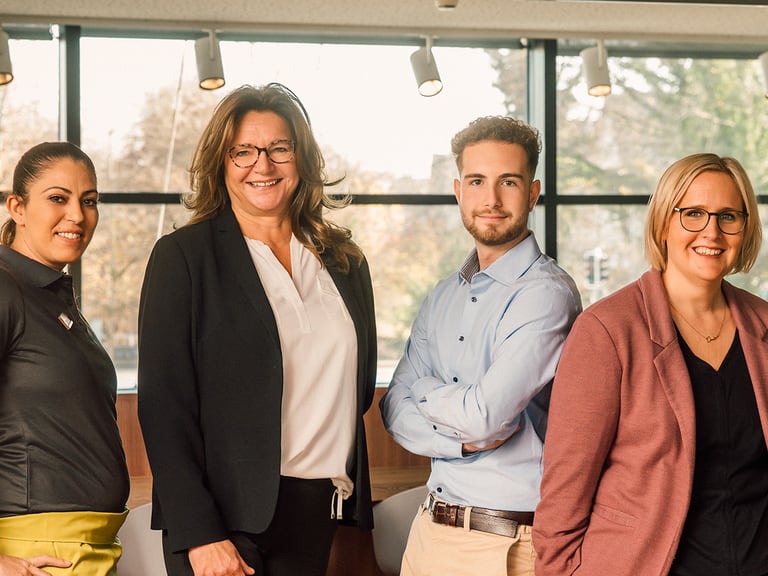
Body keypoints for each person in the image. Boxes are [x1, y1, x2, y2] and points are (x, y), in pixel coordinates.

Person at [137, 83, 377, 576]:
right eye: (243, 151)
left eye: (279, 149)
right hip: (223, 525)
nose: (262, 165)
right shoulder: (184, 258)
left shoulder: (344, 262)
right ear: (221, 163)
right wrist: (200, 534)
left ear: (301, 157)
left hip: (317, 511)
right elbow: (164, 409)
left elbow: (358, 388)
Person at [533, 153, 768, 576]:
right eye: (693, 213)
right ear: (663, 223)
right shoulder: (607, 330)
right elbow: (564, 494)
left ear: (744, 228)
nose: (712, 231)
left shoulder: (763, 324)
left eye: (728, 216)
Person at [379, 116, 582, 576]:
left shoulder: (545, 295)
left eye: (508, 182)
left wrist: (424, 391)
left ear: (533, 193)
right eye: (476, 181)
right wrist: (463, 445)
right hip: (429, 532)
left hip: (503, 544)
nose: (491, 199)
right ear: (458, 191)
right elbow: (393, 409)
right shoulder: (442, 296)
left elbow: (484, 417)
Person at [0, 142, 130, 576]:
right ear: (17, 207)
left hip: (89, 549)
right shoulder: (4, 287)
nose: (77, 214)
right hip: (37, 552)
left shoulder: (51, 295)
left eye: (89, 201)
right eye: (58, 198)